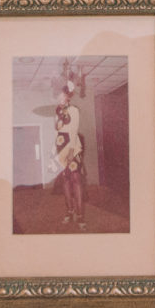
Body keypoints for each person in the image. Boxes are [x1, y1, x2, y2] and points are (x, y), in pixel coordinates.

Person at [49, 75, 88, 229]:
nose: (58, 97)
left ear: (66, 95)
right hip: (60, 147)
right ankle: (69, 211)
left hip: (72, 147)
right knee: (65, 181)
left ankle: (80, 215)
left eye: (59, 95)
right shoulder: (57, 110)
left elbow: (74, 129)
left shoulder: (74, 110)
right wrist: (59, 114)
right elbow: (57, 129)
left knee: (76, 181)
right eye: (56, 95)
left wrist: (71, 150)